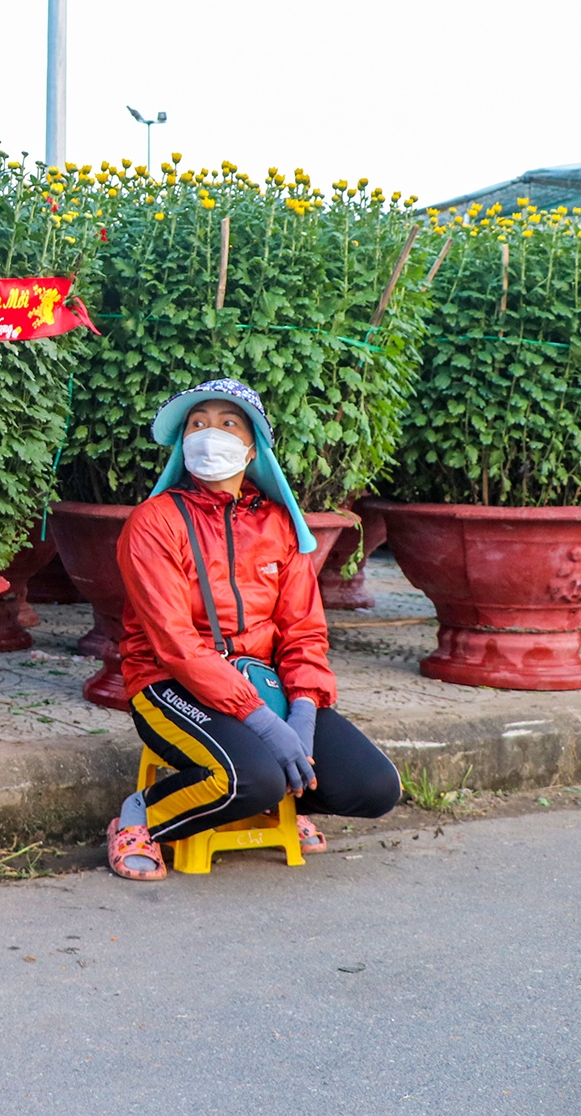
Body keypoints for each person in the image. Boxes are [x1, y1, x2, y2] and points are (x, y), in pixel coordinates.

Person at [106, 377, 401, 881]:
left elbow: (304, 630)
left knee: (374, 786)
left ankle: (287, 800)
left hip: (262, 680)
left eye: (227, 423)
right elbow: (174, 643)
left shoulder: (278, 524)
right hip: (167, 683)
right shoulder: (155, 522)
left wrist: (303, 713)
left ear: (251, 447)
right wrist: (266, 725)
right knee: (251, 779)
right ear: (182, 444)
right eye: (197, 424)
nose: (209, 434)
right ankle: (140, 817)